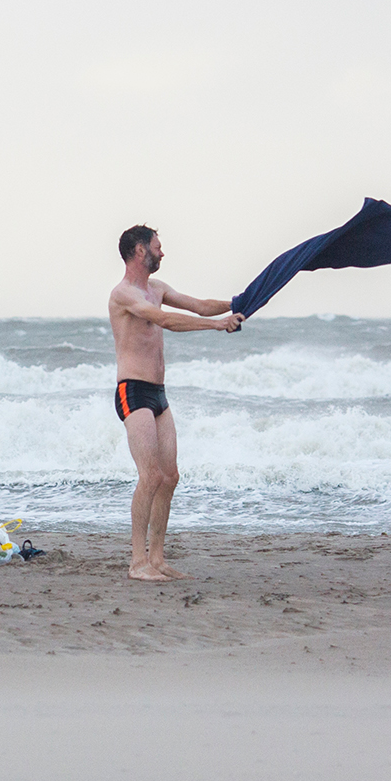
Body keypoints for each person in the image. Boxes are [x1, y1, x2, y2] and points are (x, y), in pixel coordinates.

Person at [107, 225, 244, 581]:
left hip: (158, 393)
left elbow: (198, 306)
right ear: (140, 251)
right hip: (132, 390)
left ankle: (157, 559)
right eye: (157, 247)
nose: (162, 253)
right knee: (149, 475)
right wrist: (217, 327)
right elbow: (165, 320)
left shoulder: (158, 289)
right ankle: (137, 563)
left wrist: (240, 302)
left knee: (169, 477)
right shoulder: (123, 294)